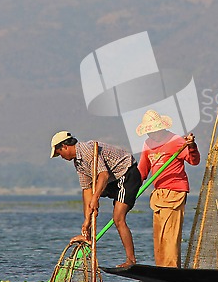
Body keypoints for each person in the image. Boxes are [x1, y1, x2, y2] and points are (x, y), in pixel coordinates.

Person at [50, 131, 142, 267]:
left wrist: (96, 198)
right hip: (112, 179)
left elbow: (103, 175)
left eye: (59, 153)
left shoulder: (87, 150)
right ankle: (87, 236)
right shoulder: (78, 163)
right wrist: (87, 221)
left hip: (126, 174)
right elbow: (87, 190)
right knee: (91, 195)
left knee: (118, 218)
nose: (61, 157)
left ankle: (131, 260)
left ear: (64, 146)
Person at [136, 110, 200, 267]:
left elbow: (194, 160)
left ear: (160, 128)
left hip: (174, 192)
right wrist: (128, 187)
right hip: (158, 195)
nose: (150, 134)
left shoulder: (175, 141)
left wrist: (191, 146)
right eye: (148, 132)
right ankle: (161, 269)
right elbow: (143, 171)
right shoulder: (148, 144)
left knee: (170, 235)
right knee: (159, 236)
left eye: (152, 131)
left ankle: (171, 270)